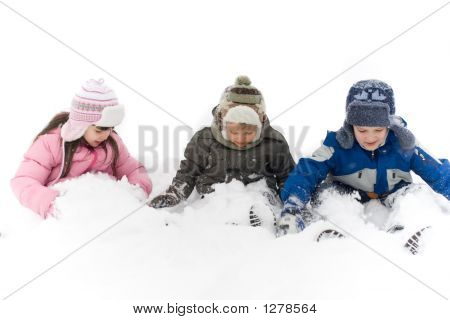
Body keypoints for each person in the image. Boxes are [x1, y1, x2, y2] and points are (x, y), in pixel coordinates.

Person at [278, 79, 450, 234]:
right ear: (351, 125)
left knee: (415, 194)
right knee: (328, 194)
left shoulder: (403, 143)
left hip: (394, 192)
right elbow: (308, 170)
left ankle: (407, 230)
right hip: (348, 193)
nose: (370, 137)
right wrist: (294, 201)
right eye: (362, 130)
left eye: (378, 130)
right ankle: (334, 231)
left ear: (389, 125)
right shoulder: (336, 144)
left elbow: (438, 172)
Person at [149, 76, 294, 226]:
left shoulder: (273, 142)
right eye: (234, 132)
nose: (241, 139)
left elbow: (287, 176)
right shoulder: (204, 140)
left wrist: (292, 201)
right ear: (222, 123)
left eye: (248, 133)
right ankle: (212, 227)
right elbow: (188, 173)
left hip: (258, 194)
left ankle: (265, 222)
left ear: (260, 124)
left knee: (262, 200)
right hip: (215, 195)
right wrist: (175, 194)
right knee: (212, 210)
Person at [11, 79, 152, 218]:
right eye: (99, 130)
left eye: (111, 128)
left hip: (103, 209)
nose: (106, 135)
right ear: (82, 124)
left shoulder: (111, 143)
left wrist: (137, 191)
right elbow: (23, 181)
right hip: (65, 212)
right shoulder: (51, 143)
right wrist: (52, 204)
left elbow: (133, 169)